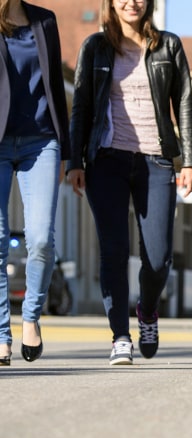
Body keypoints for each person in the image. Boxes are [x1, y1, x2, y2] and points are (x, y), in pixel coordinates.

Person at [67, 0, 192, 365]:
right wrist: (74, 160)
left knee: (157, 258)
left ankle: (147, 310)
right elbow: (80, 105)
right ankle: (120, 336)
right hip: (105, 159)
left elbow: (185, 103)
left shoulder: (168, 45)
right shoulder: (95, 47)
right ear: (110, 3)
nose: (132, 2)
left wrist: (190, 160)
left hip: (156, 160)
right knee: (113, 249)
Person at [0, 0, 70, 365]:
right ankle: (0, 332)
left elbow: (56, 85)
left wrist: (69, 153)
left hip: (42, 141)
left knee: (41, 237)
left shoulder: (44, 21)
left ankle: (30, 316)